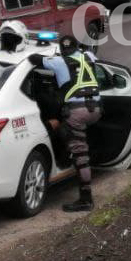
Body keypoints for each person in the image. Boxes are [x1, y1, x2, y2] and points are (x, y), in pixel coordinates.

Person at [27, 34, 103, 212]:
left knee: (79, 154)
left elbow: (33, 59)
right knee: (67, 130)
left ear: (62, 50)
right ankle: (67, 156)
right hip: (97, 109)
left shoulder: (59, 62)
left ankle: (86, 199)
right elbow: (92, 53)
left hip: (78, 111)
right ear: (77, 48)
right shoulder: (89, 57)